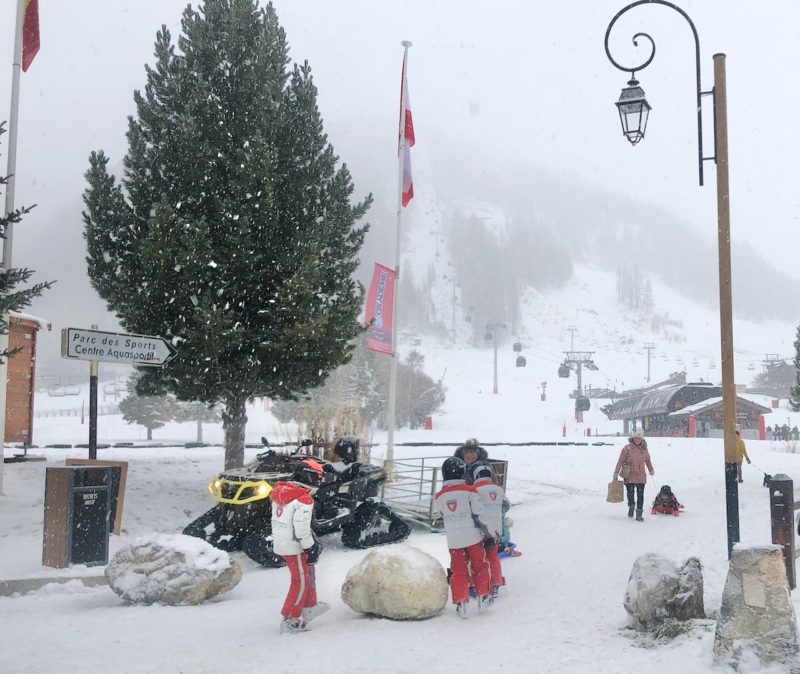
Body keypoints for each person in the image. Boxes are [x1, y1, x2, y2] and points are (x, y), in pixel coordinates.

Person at [271, 458, 328, 634]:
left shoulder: (281, 492)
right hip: (294, 546)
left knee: (309, 573)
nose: (319, 482)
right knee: (300, 581)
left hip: (282, 541)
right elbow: (301, 529)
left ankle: (309, 606)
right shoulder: (303, 499)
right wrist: (310, 547)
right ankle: (290, 619)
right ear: (309, 477)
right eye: (318, 477)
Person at [433, 456, 493, 619]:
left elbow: (441, 513)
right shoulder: (470, 491)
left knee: (458, 570)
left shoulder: (439, 496)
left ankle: (461, 602)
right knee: (479, 565)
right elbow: (480, 513)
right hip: (473, 536)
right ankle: (483, 596)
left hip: (454, 540)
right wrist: (489, 532)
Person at [470, 462, 510, 598]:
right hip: (495, 531)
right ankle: (496, 584)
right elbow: (506, 505)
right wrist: (498, 513)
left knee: (478, 560)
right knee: (493, 557)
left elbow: (472, 508)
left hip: (479, 530)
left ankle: (480, 586)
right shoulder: (498, 489)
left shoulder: (474, 489)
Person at [612, 428, 654, 522]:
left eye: (639, 438)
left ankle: (639, 514)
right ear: (633, 438)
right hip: (629, 474)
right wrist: (616, 473)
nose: (637, 440)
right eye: (635, 438)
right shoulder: (627, 448)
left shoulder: (644, 449)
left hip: (640, 475)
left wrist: (651, 470)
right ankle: (631, 505)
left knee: (640, 495)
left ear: (642, 439)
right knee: (630, 494)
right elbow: (620, 461)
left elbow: (647, 460)